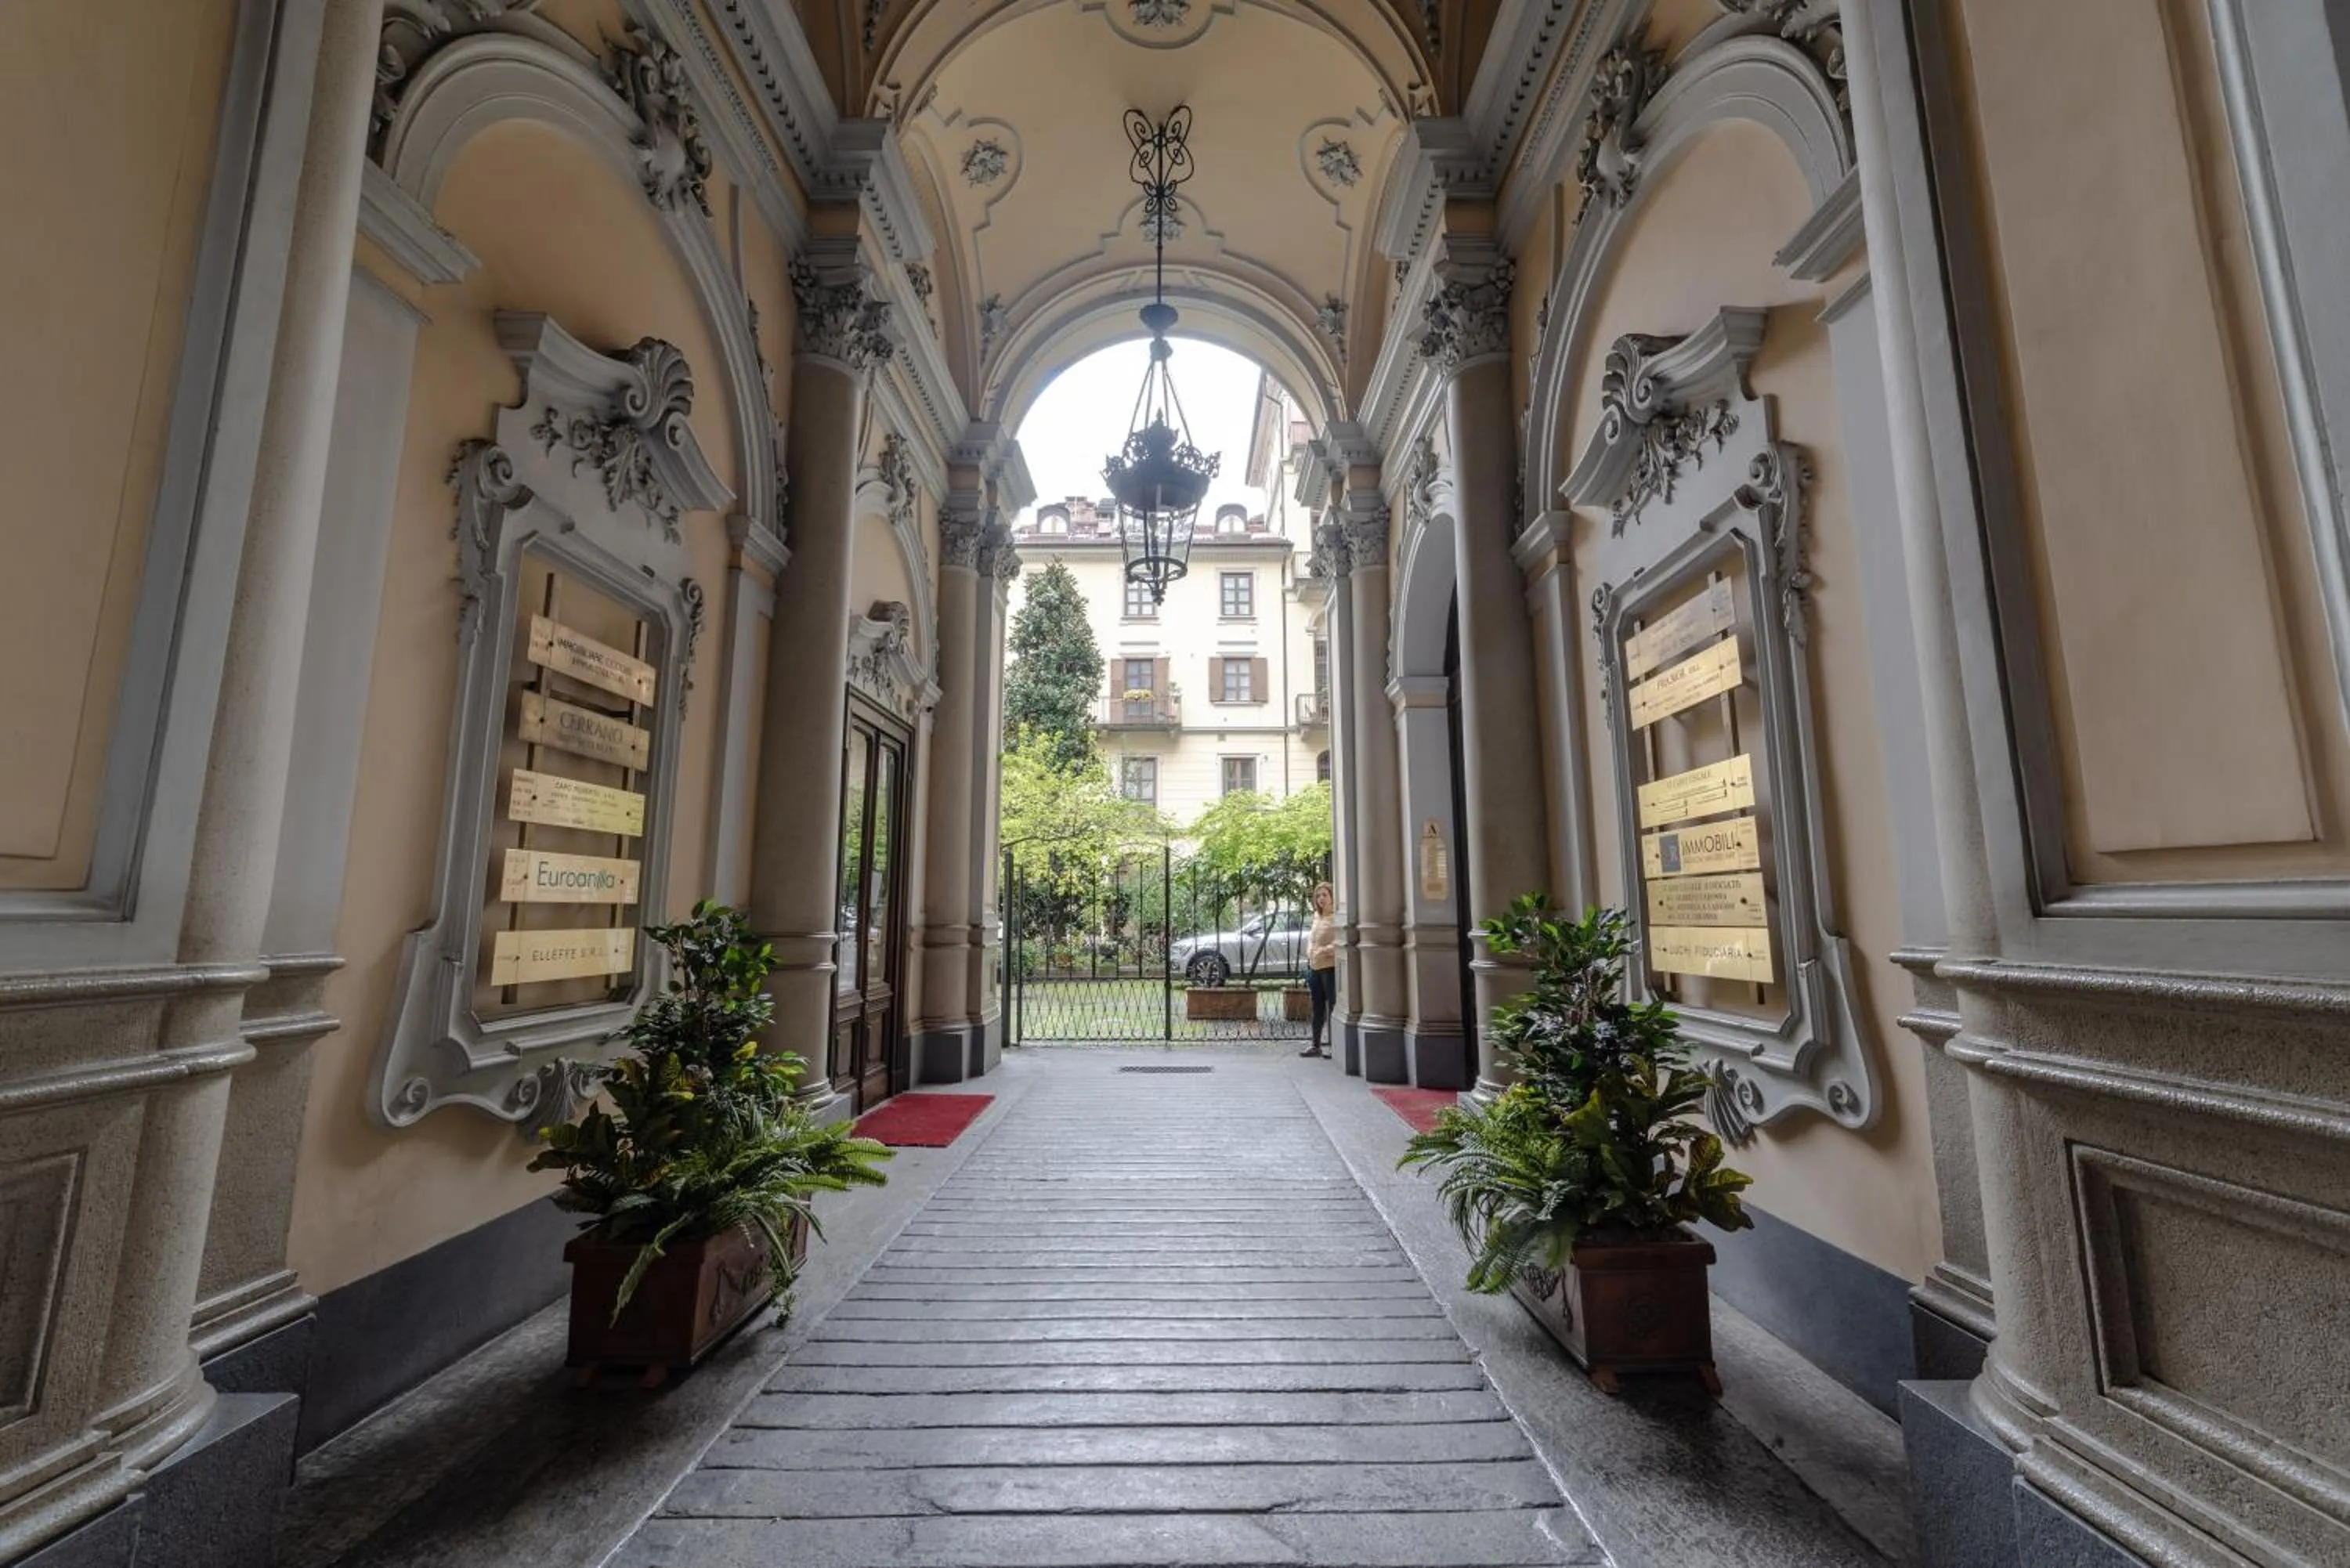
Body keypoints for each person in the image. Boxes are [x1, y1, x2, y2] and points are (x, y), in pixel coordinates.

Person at [1301, 883, 1336, 1058]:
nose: (1321, 899)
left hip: (1329, 968)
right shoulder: (1317, 916)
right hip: (1314, 967)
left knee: (1332, 1007)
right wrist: (1310, 951)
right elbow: (1312, 939)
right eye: (1318, 896)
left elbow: (1341, 942)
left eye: (1325, 895)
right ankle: (1316, 1045)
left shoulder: (1336, 917)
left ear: (1332, 897)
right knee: (1317, 1007)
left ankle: (1335, 1046)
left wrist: (1325, 950)